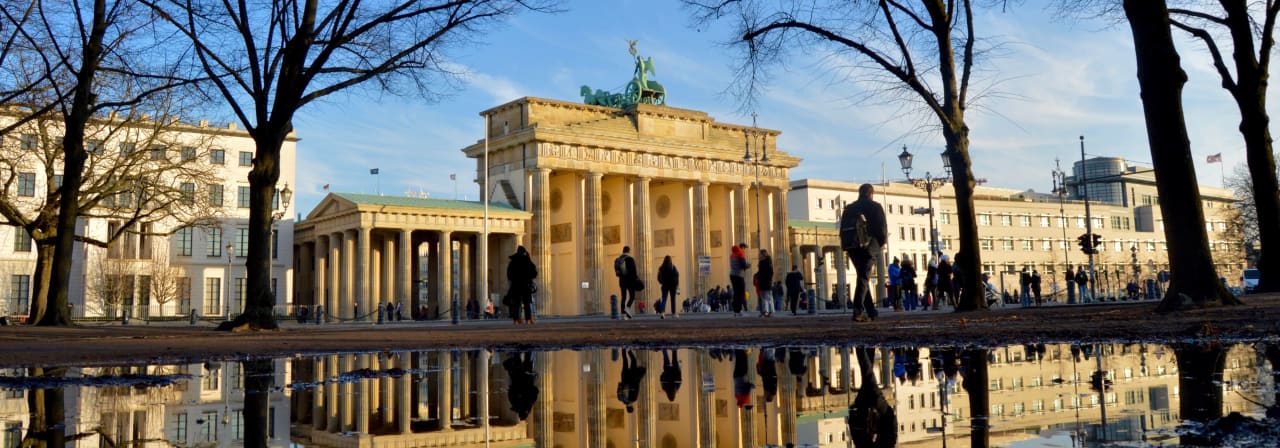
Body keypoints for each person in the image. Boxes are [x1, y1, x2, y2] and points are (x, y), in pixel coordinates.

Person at [839, 183, 887, 322]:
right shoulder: (875, 207)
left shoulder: (849, 208)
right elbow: (882, 228)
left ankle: (871, 310)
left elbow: (842, 229)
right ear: (871, 193)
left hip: (852, 246)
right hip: (869, 245)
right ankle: (858, 310)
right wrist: (879, 243)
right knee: (864, 278)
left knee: (862, 277)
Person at [506, 245, 538, 324]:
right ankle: (528, 319)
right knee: (527, 303)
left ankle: (516, 319)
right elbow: (534, 272)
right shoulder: (526, 260)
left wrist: (513, 280)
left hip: (515, 285)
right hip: (525, 284)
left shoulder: (513, 261)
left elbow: (509, 274)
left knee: (516, 303)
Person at [503, 352, 539, 421]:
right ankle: (520, 348)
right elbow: (510, 391)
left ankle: (527, 347)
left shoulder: (527, 403)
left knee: (528, 357)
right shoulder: (516, 403)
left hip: (524, 377)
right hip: (518, 376)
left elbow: (535, 391)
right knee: (519, 357)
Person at [617, 349, 646, 413]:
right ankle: (623, 348)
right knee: (625, 360)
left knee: (633, 360)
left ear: (632, 407)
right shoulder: (622, 399)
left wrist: (639, 377)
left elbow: (636, 386)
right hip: (624, 377)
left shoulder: (633, 399)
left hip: (631, 376)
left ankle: (629, 349)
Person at [615, 246, 639, 319]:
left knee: (623, 297)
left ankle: (623, 315)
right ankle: (627, 308)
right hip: (630, 281)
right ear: (628, 251)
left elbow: (617, 272)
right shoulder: (630, 259)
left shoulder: (618, 259)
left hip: (622, 281)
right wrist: (636, 279)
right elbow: (634, 271)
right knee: (632, 296)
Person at [729, 243, 751, 317]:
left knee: (736, 293)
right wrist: (749, 265)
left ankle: (735, 311)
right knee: (741, 293)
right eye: (745, 248)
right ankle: (740, 310)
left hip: (732, 275)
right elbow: (743, 265)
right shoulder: (741, 253)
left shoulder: (732, 254)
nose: (745, 250)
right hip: (739, 276)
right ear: (743, 247)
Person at [657, 255, 679, 319]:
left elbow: (658, 277)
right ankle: (673, 314)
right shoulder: (673, 267)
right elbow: (677, 276)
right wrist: (676, 285)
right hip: (672, 286)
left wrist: (662, 282)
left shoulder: (661, 268)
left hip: (664, 285)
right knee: (673, 299)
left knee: (664, 299)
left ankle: (662, 313)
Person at [756, 249, 776, 317]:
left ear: (763, 255)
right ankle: (766, 311)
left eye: (760, 254)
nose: (759, 255)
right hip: (762, 282)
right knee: (763, 298)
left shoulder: (767, 262)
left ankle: (771, 311)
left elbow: (770, 272)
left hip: (766, 282)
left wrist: (768, 279)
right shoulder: (762, 262)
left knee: (768, 297)